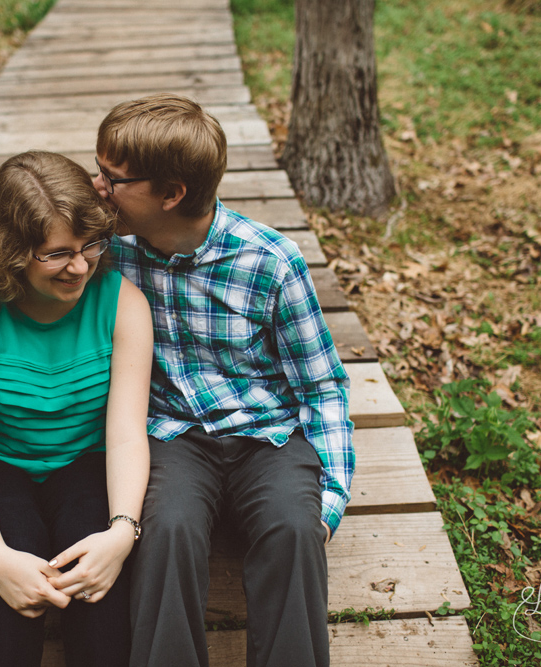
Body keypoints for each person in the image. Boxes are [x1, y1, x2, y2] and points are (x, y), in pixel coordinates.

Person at [93, 94, 354, 667]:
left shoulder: (269, 262)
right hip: (172, 436)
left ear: (171, 194)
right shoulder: (107, 252)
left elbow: (322, 387)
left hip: (270, 439)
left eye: (113, 178)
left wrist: (330, 500)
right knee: (166, 533)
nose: (98, 187)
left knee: (294, 531)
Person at [0, 150, 152, 667]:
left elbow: (125, 433)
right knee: (18, 587)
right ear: (13, 250)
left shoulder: (122, 303)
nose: (79, 265)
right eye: (56, 253)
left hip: (86, 460)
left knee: (94, 584)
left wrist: (122, 532)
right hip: (0, 463)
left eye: (90, 245)